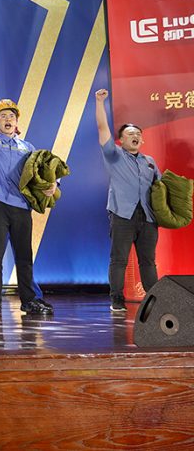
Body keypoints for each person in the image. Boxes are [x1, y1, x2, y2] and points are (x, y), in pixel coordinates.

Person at [0, 71, 54, 317]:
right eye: (2, 116)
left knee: (24, 256)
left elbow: (42, 172)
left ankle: (28, 301)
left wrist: (52, 185)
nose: (7, 119)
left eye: (11, 116)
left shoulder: (27, 147)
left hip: (21, 207)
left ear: (17, 121)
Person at [94, 88, 160, 313]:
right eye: (130, 133)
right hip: (122, 215)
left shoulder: (149, 161)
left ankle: (154, 300)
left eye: (138, 134)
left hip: (148, 218)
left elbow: (160, 188)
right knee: (119, 259)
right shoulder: (114, 156)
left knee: (148, 261)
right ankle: (116, 299)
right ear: (121, 140)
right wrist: (99, 102)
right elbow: (102, 128)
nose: (135, 136)